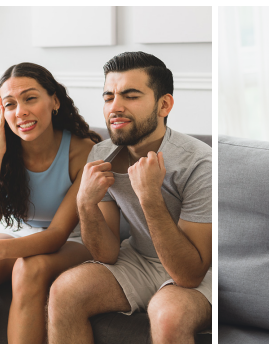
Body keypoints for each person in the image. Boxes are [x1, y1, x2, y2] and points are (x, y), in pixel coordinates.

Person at [46, 52, 212, 344]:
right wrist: (85, 204)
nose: (115, 107)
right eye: (108, 97)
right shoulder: (101, 154)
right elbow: (105, 254)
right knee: (64, 291)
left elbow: (189, 274)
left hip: (202, 270)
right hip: (138, 260)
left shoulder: (199, 164)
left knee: (167, 314)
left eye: (130, 96)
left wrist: (149, 197)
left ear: (164, 105)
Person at [0, 62, 102, 343]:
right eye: (10, 104)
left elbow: (56, 236)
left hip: (71, 240)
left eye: (30, 98)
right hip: (16, 229)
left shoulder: (83, 150)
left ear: (54, 101)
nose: (21, 112)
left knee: (27, 268)